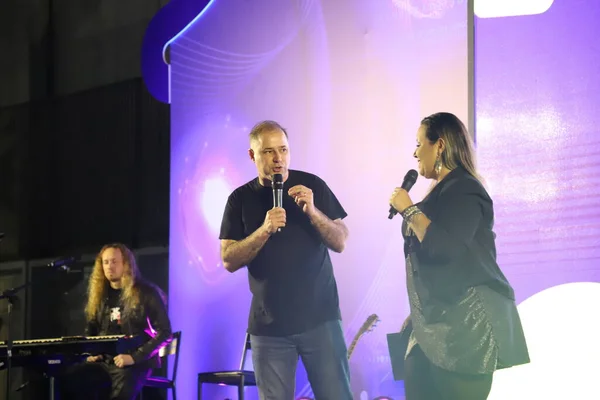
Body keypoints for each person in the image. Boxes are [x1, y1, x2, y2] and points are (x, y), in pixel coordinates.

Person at [387, 112, 530, 400]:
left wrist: (409, 209)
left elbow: (446, 248)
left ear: (439, 145)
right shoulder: (440, 192)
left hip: (464, 326)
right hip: (432, 323)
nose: (415, 153)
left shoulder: (465, 188)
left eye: (418, 144)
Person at [219, 120, 353, 400]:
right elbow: (228, 259)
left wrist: (313, 212)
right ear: (252, 155)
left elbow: (340, 241)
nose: (278, 158)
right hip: (269, 328)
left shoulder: (312, 185)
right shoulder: (239, 200)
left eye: (283, 149)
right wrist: (264, 229)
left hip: (321, 320)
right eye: (269, 151)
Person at [59, 243, 172, 400]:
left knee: (122, 384)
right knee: (72, 379)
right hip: (105, 361)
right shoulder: (99, 295)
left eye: (114, 261)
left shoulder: (146, 292)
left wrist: (134, 357)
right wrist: (91, 353)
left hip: (135, 361)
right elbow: (91, 330)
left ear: (125, 264)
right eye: (105, 262)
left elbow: (165, 332)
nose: (109, 267)